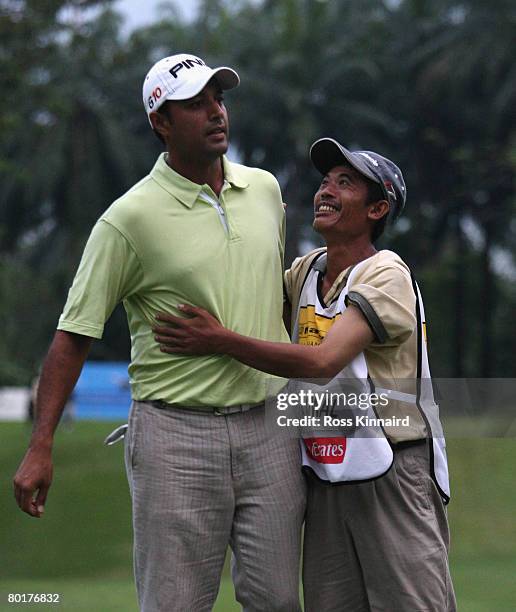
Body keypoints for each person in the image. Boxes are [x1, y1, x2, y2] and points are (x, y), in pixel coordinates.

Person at [13, 53, 306, 612]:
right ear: (161, 123)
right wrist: (41, 443)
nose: (216, 113)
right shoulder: (129, 219)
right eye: (195, 104)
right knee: (174, 604)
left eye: (218, 99)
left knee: (278, 602)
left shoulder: (265, 190)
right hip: (176, 434)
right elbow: (75, 334)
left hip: (269, 427)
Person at [153, 138, 457, 611]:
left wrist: (218, 340)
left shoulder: (387, 273)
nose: (326, 191)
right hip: (326, 473)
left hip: (395, 471)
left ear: (378, 208)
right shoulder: (306, 270)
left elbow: (322, 362)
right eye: (325, 181)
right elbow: (245, 298)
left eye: (346, 183)